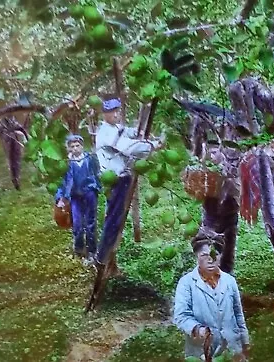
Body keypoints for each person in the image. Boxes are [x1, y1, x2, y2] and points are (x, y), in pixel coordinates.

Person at [94, 95, 163, 267]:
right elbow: (127, 147)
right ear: (104, 114)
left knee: (116, 218)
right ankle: (101, 258)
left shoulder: (115, 127)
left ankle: (107, 258)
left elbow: (126, 132)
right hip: (115, 180)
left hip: (123, 178)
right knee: (114, 220)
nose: (116, 114)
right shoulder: (105, 132)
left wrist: (138, 130)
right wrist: (153, 145)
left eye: (117, 111)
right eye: (111, 112)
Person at [174, 227, 250, 361]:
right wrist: (198, 329)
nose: (210, 260)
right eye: (204, 255)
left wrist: (245, 342)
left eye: (215, 255)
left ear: (220, 256)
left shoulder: (229, 281)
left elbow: (238, 314)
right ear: (196, 256)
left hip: (232, 349)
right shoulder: (187, 283)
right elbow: (181, 316)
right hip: (201, 351)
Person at [55, 134, 101, 263]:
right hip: (75, 196)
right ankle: (79, 248)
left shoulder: (89, 159)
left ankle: (92, 250)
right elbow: (62, 182)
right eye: (72, 146)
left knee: (91, 222)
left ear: (82, 146)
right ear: (69, 148)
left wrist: (98, 187)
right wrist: (60, 197)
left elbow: (98, 172)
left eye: (78, 145)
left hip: (89, 193)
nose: (75, 148)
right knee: (77, 223)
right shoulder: (67, 163)